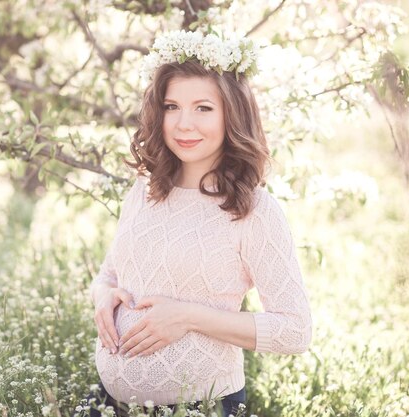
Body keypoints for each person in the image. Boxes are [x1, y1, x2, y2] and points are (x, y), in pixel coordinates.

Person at [79, 30, 313, 417]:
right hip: (109, 402)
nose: (184, 124)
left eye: (203, 108)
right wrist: (102, 298)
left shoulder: (254, 209)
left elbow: (295, 331)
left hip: (203, 406)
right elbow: (110, 275)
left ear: (231, 114)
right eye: (172, 106)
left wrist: (188, 317)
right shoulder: (144, 191)